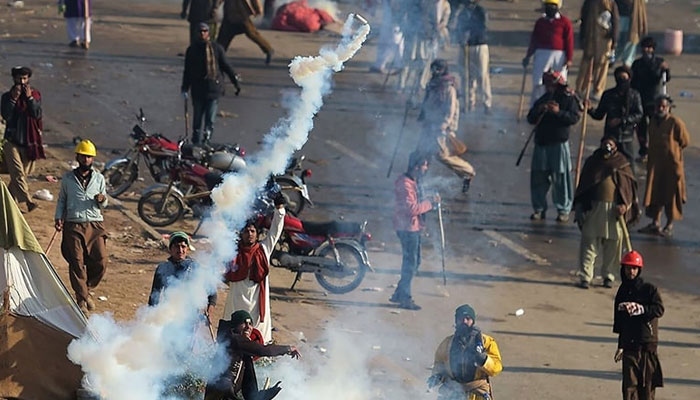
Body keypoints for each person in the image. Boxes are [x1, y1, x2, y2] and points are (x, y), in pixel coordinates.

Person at [573, 137, 639, 289]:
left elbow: (629, 190)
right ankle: (585, 277)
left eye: (611, 143)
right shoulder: (593, 162)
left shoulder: (622, 164)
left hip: (614, 213)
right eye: (605, 142)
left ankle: (608, 276)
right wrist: (580, 207)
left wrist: (625, 206)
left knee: (613, 247)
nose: (607, 146)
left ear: (616, 146)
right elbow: (584, 186)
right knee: (589, 244)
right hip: (594, 209)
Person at [222, 194, 286, 344]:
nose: (249, 234)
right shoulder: (232, 251)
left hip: (257, 300)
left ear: (257, 234)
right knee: (233, 334)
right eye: (246, 231)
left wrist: (280, 209)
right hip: (236, 298)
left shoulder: (263, 249)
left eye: (252, 231)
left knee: (257, 335)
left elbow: (276, 230)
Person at [54, 139, 108, 312]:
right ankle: (82, 301)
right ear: (77, 157)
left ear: (93, 159)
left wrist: (102, 200)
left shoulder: (99, 178)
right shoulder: (68, 179)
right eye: (83, 156)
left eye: (89, 157)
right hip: (73, 223)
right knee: (76, 262)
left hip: (95, 223)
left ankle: (86, 289)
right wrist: (58, 217)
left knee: (101, 261)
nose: (86, 160)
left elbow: (104, 201)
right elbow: (62, 199)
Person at [204, 310, 301, 400]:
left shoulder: (245, 351)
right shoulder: (234, 339)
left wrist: (262, 396)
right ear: (235, 326)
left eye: (250, 324)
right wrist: (288, 349)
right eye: (244, 323)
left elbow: (249, 391)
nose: (248, 327)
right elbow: (263, 350)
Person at [527, 70, 580, 222]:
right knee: (538, 178)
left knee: (561, 178)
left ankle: (563, 209)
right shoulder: (543, 99)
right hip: (541, 143)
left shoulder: (568, 99)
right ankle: (539, 208)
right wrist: (540, 110)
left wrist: (558, 112)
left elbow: (573, 117)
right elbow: (530, 118)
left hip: (559, 144)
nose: (549, 87)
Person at [416, 59, 475, 194]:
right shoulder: (432, 84)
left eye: (438, 69)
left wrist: (443, 125)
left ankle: (468, 172)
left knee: (442, 155)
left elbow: (451, 110)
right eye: (434, 69)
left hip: (441, 127)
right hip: (429, 124)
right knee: (422, 152)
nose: (435, 72)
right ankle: (417, 180)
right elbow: (427, 104)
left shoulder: (448, 87)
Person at [389, 152, 439, 311]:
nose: (426, 168)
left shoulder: (413, 181)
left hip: (413, 227)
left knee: (414, 262)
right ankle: (405, 297)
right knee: (410, 264)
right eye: (424, 165)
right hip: (407, 228)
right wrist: (429, 203)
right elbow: (412, 208)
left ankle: (399, 292)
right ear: (416, 166)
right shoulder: (405, 184)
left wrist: (429, 199)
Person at [613, 250, 664, 400]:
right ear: (623, 269)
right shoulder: (622, 291)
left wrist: (641, 309)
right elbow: (620, 322)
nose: (631, 272)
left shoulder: (649, 289)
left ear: (639, 269)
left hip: (647, 346)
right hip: (629, 346)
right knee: (629, 388)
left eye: (634, 268)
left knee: (647, 388)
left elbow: (659, 309)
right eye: (628, 268)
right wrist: (620, 345)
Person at [637, 95, 689, 237]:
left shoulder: (675, 122)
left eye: (663, 106)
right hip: (655, 165)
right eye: (658, 106)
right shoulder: (653, 121)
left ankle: (669, 225)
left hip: (671, 166)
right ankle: (655, 223)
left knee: (670, 195)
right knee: (655, 194)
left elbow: (685, 141)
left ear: (668, 108)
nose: (660, 109)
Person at [181, 22, 240, 145]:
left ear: (208, 33)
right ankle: (196, 144)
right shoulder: (192, 50)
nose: (202, 34)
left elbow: (226, 66)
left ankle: (206, 143)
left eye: (205, 31)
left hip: (214, 90)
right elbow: (187, 71)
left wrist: (236, 83)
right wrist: (184, 88)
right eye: (200, 31)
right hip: (198, 90)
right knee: (197, 121)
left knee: (210, 121)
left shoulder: (216, 48)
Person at [427, 304, 503, 400]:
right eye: (461, 318)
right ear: (456, 321)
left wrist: (484, 360)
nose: (464, 322)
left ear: (473, 321)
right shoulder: (447, 343)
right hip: (453, 392)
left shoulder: (486, 342)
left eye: (468, 318)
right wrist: (437, 376)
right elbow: (439, 363)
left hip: (476, 394)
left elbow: (496, 368)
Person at [1, 66, 44, 213]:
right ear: (14, 79)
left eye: (25, 78)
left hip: (29, 143)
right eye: (19, 79)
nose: (22, 81)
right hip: (12, 141)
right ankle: (28, 201)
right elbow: (6, 115)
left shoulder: (35, 95)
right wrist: (13, 99)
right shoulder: (7, 97)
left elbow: (37, 114)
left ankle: (6, 204)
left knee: (18, 177)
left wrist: (30, 98)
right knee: (18, 173)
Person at [586, 65, 643, 171]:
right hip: (610, 136)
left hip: (627, 137)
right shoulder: (608, 95)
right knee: (606, 165)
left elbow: (639, 115)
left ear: (629, 79)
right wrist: (589, 109)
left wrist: (622, 121)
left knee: (629, 167)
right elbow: (599, 115)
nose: (622, 81)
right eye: (619, 78)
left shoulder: (634, 95)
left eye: (624, 78)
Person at [148, 231, 217, 317]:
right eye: (177, 246)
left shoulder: (195, 267)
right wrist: (151, 316)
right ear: (170, 249)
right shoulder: (163, 268)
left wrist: (210, 308)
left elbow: (212, 291)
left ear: (187, 249)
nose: (180, 250)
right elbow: (155, 295)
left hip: (190, 314)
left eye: (183, 246)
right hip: (169, 312)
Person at [522, 0, 574, 106]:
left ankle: (558, 106)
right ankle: (536, 107)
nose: (550, 8)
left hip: (559, 55)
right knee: (539, 81)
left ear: (558, 7)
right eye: (548, 5)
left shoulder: (565, 22)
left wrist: (569, 59)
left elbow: (569, 41)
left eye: (553, 6)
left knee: (559, 81)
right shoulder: (540, 22)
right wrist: (528, 56)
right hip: (541, 54)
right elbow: (534, 40)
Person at [631, 36, 670, 161]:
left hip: (655, 100)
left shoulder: (659, 62)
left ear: (653, 49)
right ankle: (644, 151)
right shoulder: (637, 64)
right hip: (640, 99)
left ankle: (656, 150)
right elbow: (633, 82)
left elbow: (666, 78)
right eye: (644, 47)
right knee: (641, 128)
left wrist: (666, 69)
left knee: (656, 126)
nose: (646, 50)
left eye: (649, 48)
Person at [452, 0, 492, 114]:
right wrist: (461, 37)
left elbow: (483, 27)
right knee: (466, 76)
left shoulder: (481, 11)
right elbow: (458, 29)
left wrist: (469, 33)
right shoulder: (463, 12)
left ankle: (486, 104)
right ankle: (468, 103)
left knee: (482, 75)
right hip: (465, 47)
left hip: (479, 45)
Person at [575, 0, 619, 102]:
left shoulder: (610, 3)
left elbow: (615, 20)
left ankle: (597, 90)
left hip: (605, 38)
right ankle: (581, 89)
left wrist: (614, 39)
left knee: (602, 64)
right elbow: (584, 17)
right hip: (590, 37)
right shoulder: (589, 2)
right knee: (586, 63)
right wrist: (582, 37)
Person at [217, 0, 274, 65]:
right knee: (223, 38)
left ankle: (268, 50)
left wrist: (257, 9)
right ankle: (217, 56)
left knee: (252, 34)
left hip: (241, 13)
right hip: (230, 14)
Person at [613, 0, 647, 67]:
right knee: (618, 41)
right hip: (618, 15)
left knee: (631, 41)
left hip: (632, 16)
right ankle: (612, 59)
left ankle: (627, 63)